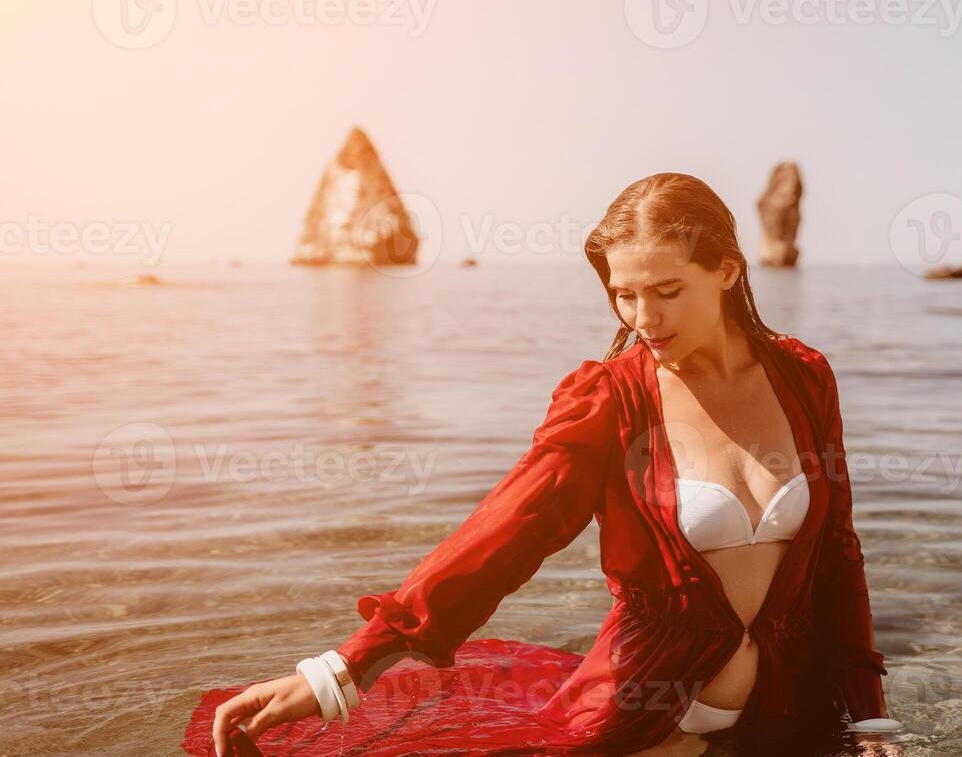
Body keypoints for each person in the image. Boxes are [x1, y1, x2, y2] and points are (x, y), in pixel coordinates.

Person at [195, 173, 903, 756]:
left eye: (666, 291)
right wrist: (344, 671)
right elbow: (508, 532)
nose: (643, 318)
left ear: (726, 268)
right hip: (642, 721)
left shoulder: (805, 378)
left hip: (787, 720)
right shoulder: (609, 398)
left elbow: (837, 555)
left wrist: (868, 717)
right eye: (623, 295)